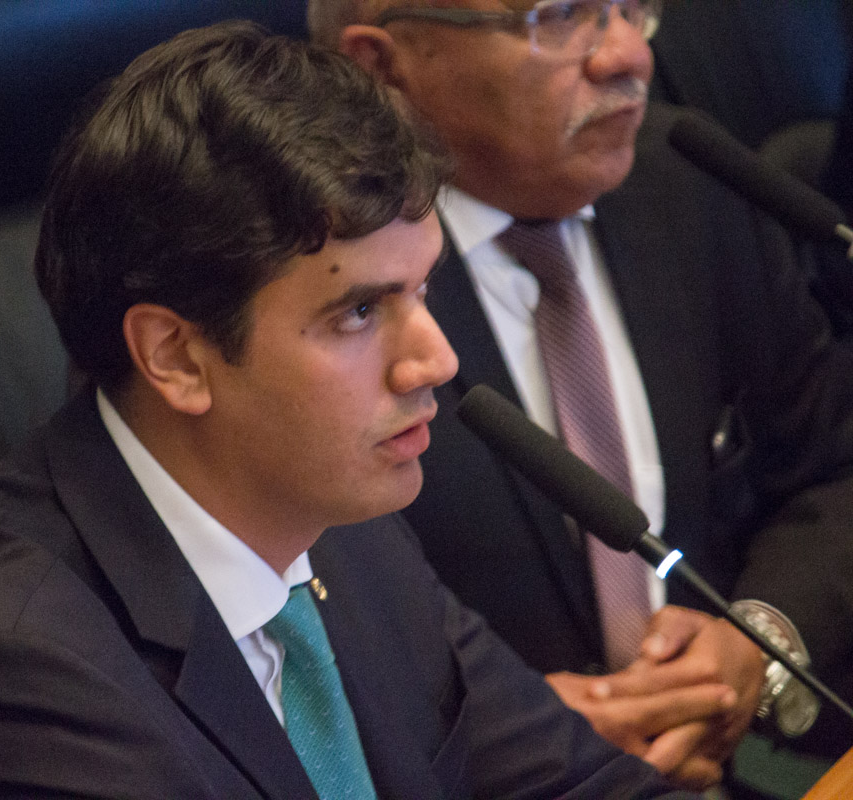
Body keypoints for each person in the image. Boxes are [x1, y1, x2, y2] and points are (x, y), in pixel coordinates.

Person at [0, 20, 702, 799]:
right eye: (359, 312)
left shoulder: (338, 529)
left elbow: (582, 783)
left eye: (423, 288)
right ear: (176, 357)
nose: (436, 359)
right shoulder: (7, 692)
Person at [309, 0, 853, 791]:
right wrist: (500, 736)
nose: (628, 54)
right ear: (381, 65)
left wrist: (760, 638)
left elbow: (834, 465)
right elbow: (280, 617)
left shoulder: (692, 177)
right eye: (559, 17)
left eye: (630, 7)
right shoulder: (307, 289)